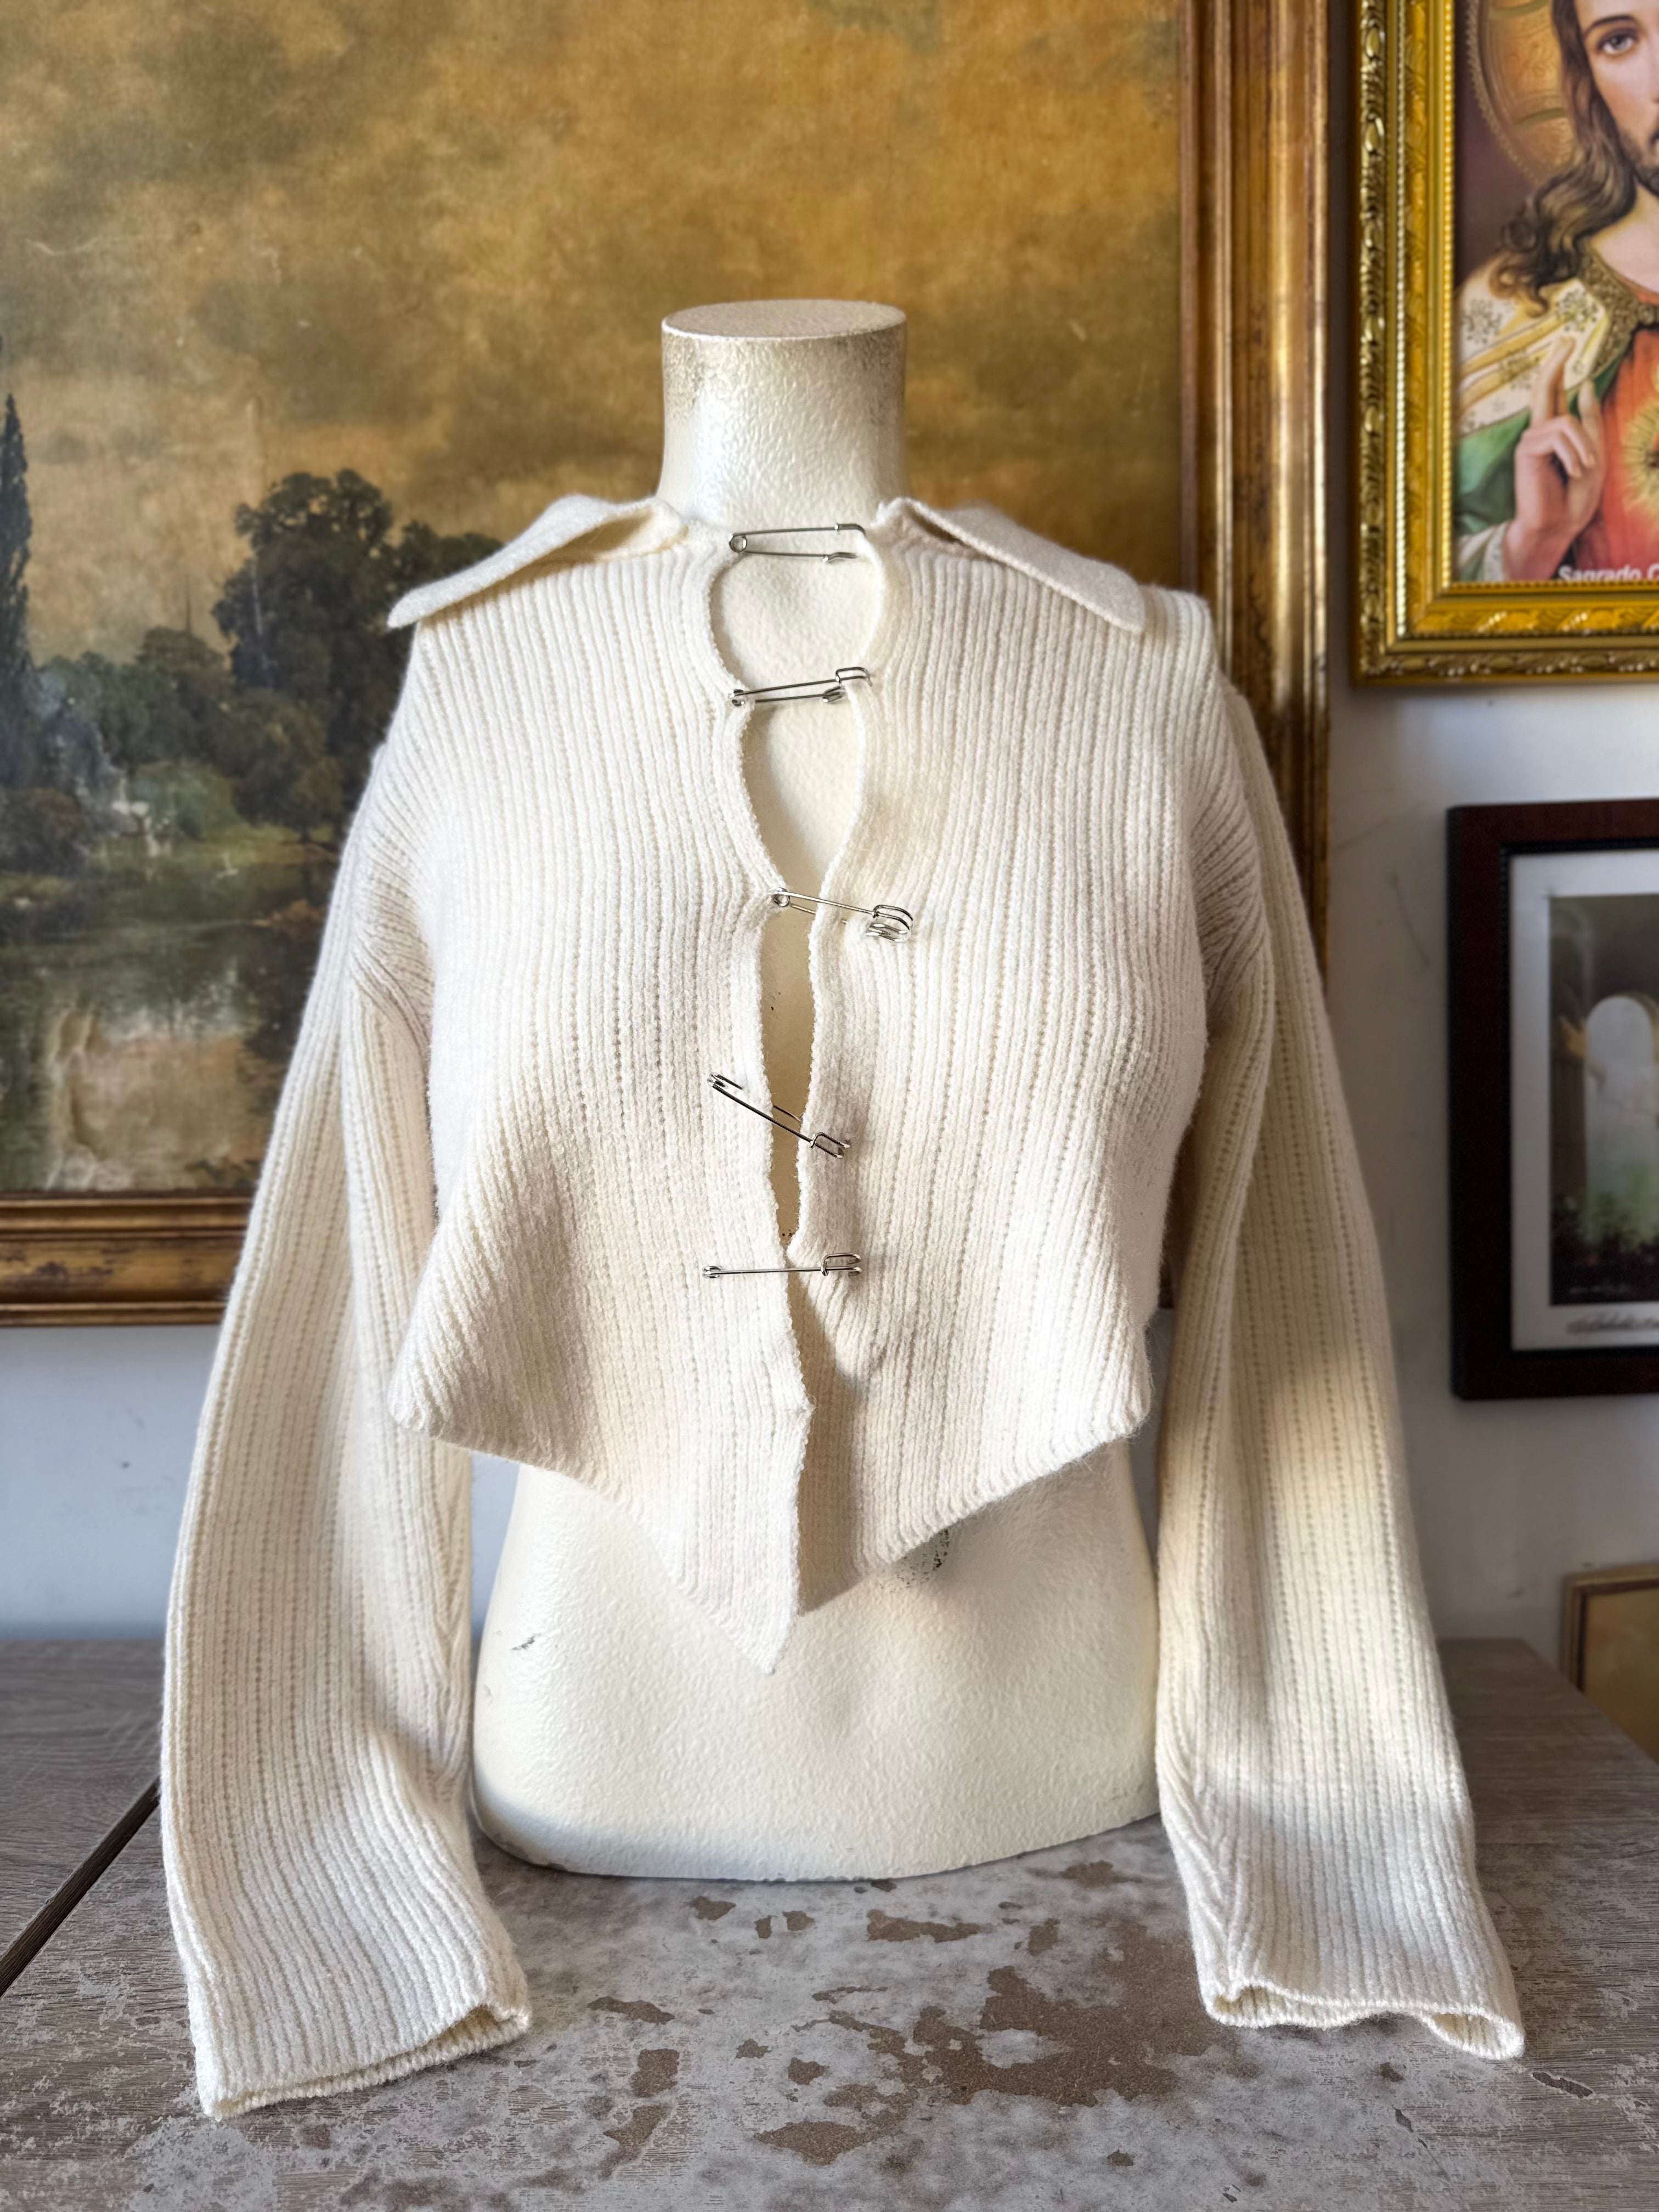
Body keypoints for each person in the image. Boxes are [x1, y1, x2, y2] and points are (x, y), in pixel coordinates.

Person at [1454, 0, 1659, 581]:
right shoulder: (1512, 311)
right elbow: (1408, 583)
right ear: (1586, 81)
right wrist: (1532, 544)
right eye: (1618, 41)